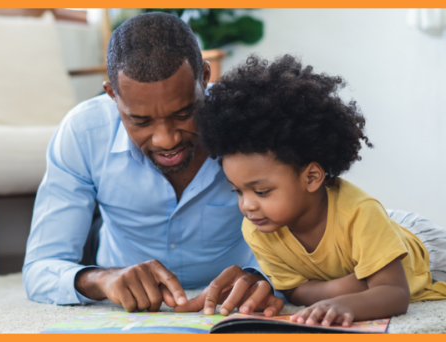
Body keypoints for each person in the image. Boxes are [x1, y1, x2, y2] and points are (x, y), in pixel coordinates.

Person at [22, 12, 283, 316]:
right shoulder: (83, 132)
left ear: (204, 77)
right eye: (141, 121)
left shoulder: (252, 124)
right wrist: (102, 279)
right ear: (112, 95)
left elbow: (309, 228)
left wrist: (264, 277)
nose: (166, 140)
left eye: (183, 114)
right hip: (112, 259)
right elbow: (40, 268)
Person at [194, 54, 446, 326]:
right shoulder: (257, 229)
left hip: (428, 250)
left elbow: (395, 293)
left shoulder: (359, 213)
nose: (247, 205)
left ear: (312, 177)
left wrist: (347, 303)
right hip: (379, 230)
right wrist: (343, 287)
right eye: (238, 191)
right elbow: (294, 290)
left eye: (262, 192)